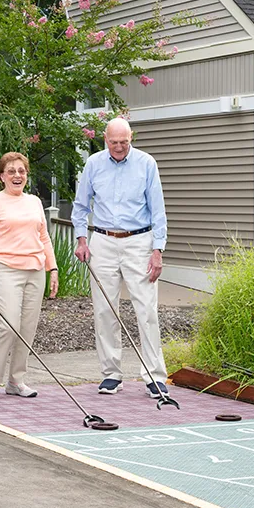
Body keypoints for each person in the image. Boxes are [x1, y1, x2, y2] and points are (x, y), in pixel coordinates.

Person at [71, 117, 169, 397]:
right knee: (104, 309)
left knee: (146, 310)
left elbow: (158, 211)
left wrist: (157, 250)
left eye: (124, 142)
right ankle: (111, 374)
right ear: (104, 138)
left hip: (139, 240)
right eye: (113, 142)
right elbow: (80, 207)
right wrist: (81, 239)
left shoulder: (147, 164)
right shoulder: (93, 164)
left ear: (131, 138)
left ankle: (154, 376)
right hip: (102, 240)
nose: (119, 147)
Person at [0, 152, 58, 399]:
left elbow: (44, 237)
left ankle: (16, 381)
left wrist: (53, 269)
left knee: (27, 328)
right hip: (6, 269)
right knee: (8, 325)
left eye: (21, 171)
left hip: (35, 270)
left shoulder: (34, 202)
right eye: (11, 171)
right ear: (2, 177)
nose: (17, 175)